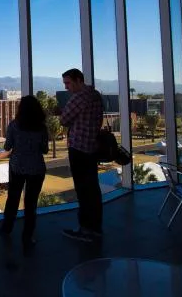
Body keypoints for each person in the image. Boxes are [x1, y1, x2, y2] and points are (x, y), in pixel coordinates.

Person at [60, 68, 104, 242]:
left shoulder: (78, 98)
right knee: (93, 189)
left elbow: (64, 120)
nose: (66, 87)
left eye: (68, 83)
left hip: (79, 148)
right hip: (92, 148)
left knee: (82, 190)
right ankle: (96, 227)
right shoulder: (95, 95)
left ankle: (85, 229)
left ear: (79, 80)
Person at [0, 95, 48, 250]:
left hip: (17, 166)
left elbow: (7, 147)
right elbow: (45, 149)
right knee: (31, 203)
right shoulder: (42, 127)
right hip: (36, 168)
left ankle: (6, 228)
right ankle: (27, 237)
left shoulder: (14, 125)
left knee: (13, 198)